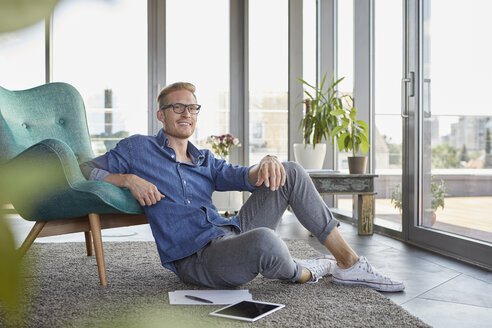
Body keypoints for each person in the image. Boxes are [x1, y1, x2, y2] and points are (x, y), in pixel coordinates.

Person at [80, 82, 404, 292]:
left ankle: (349, 263)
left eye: (192, 107)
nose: (186, 113)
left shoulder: (204, 158)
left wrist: (266, 162)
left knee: (289, 169)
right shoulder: (137, 149)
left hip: (231, 233)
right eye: (177, 107)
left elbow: (241, 175)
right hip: (198, 259)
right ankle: (305, 271)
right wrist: (127, 179)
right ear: (160, 115)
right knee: (266, 242)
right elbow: (86, 169)